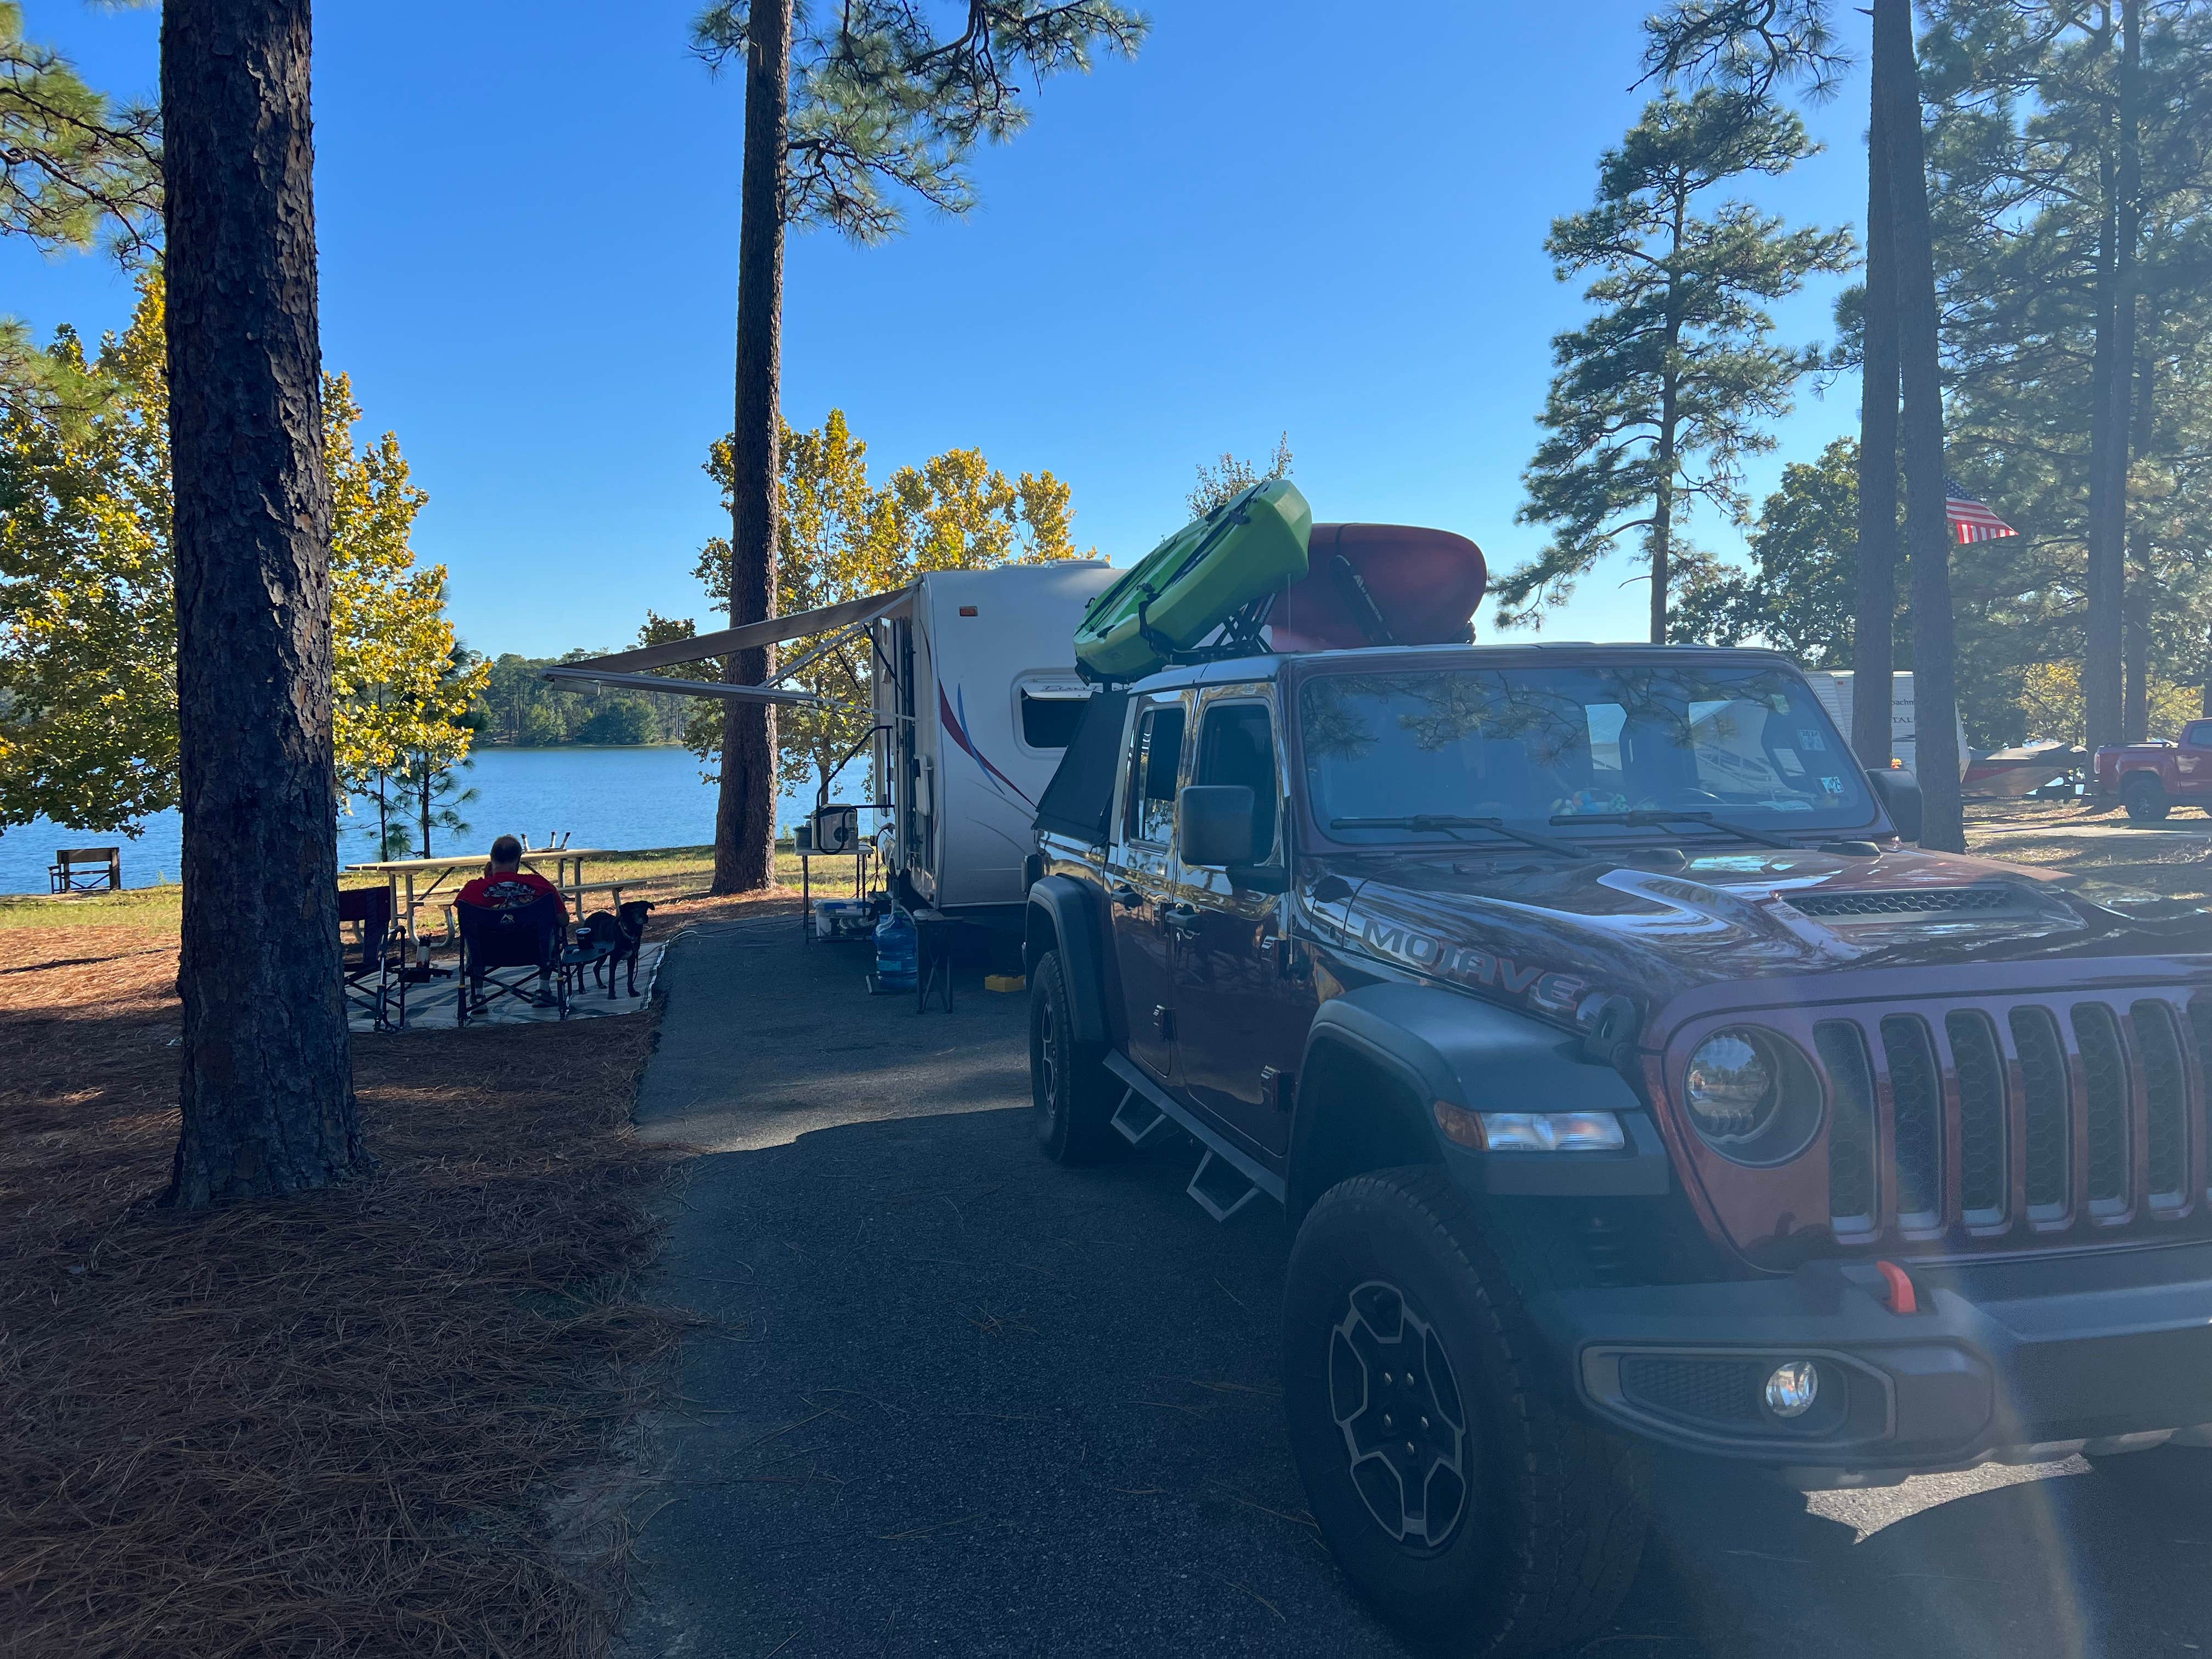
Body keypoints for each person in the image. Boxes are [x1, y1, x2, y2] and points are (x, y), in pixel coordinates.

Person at [457, 836, 562, 1005]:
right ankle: (543, 989)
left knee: (472, 936)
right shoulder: (541, 886)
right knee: (554, 930)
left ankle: (478, 995)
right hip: (533, 951)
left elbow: (464, 924)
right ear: (519, 860)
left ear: (491, 859)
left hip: (487, 953)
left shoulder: (472, 890)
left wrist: (488, 881)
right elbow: (564, 920)